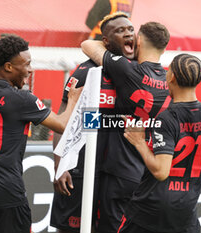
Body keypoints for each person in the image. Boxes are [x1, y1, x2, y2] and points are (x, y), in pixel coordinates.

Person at [0, 35, 81, 233]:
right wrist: (73, 99)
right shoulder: (22, 100)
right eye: (27, 64)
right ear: (8, 67)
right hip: (7, 196)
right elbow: (62, 125)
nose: (31, 69)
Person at [118, 53, 201, 233]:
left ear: (172, 77)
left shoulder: (166, 118)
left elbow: (161, 171)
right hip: (185, 213)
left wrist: (139, 142)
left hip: (149, 211)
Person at [82, 21, 172, 233]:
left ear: (138, 40)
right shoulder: (170, 80)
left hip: (121, 171)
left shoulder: (127, 69)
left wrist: (109, 41)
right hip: (149, 172)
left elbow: (87, 45)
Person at [50, 12, 136, 233]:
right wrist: (60, 164)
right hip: (81, 168)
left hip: (116, 175)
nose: (128, 33)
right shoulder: (86, 72)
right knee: (70, 228)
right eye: (120, 30)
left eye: (130, 29)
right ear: (105, 41)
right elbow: (63, 119)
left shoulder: (135, 72)